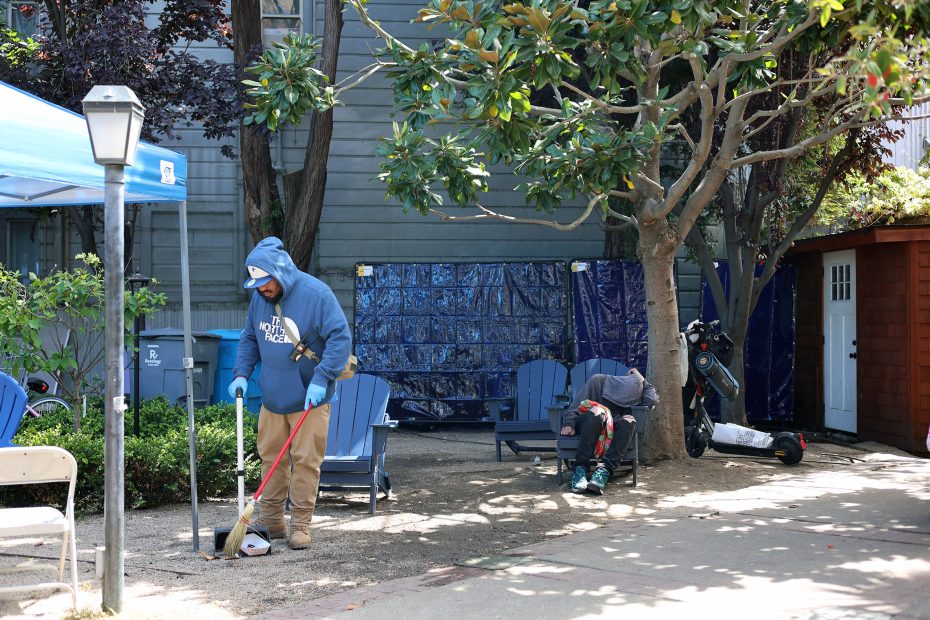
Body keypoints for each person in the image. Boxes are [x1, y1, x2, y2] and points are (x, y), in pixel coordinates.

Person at [227, 237, 351, 550]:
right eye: (256, 285)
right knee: (271, 459)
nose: (261, 290)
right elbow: (250, 338)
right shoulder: (260, 299)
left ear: (280, 274)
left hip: (310, 397)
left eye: (265, 283)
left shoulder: (317, 294)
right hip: (273, 397)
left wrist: (322, 378)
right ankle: (272, 522)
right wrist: (241, 374)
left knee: (306, 461)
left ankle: (301, 525)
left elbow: (340, 338)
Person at [560, 368, 658, 495]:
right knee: (598, 411)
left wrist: (642, 380)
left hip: (614, 429)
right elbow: (575, 408)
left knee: (630, 420)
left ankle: (603, 472)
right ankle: (580, 470)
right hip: (590, 423)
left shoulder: (637, 391)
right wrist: (569, 424)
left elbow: (651, 401)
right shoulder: (597, 381)